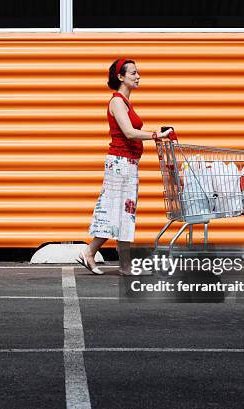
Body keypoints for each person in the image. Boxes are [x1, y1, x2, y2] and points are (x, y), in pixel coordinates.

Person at [76, 58, 176, 275]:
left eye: (137, 72)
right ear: (120, 77)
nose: (138, 76)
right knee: (119, 213)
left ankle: (120, 264)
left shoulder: (125, 102)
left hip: (127, 164)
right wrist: (156, 135)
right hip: (120, 164)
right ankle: (92, 253)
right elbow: (129, 132)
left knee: (123, 214)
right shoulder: (117, 102)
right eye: (133, 73)